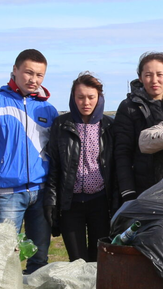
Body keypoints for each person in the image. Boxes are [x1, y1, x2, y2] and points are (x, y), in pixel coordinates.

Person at [0, 48, 58, 273]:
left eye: (39, 75)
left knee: (39, 258)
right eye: (29, 73)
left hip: (41, 192)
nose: (33, 79)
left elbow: (56, 152)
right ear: (15, 70)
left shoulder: (48, 109)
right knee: (1, 256)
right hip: (7, 194)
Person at [44, 72, 114, 262]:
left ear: (99, 98)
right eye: (80, 97)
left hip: (100, 203)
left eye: (91, 97)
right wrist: (51, 201)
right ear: (73, 98)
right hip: (70, 204)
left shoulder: (109, 126)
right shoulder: (61, 125)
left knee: (98, 260)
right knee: (77, 261)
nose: (86, 102)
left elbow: (115, 168)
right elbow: (54, 167)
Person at [113, 52, 163, 205]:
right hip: (145, 186)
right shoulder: (129, 107)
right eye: (148, 75)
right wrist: (128, 191)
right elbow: (122, 153)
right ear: (140, 77)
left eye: (159, 74)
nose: (154, 80)